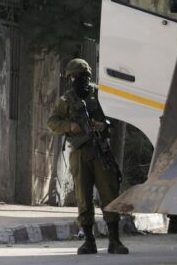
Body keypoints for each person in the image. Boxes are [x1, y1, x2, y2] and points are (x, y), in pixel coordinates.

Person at [48, 58, 129, 255]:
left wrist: (104, 125)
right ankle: (89, 241)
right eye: (75, 76)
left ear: (88, 76)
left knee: (109, 194)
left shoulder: (100, 95)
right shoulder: (66, 100)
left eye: (82, 76)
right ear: (70, 78)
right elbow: (52, 121)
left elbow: (115, 117)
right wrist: (69, 126)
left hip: (101, 151)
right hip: (80, 153)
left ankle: (114, 241)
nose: (78, 80)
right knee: (83, 197)